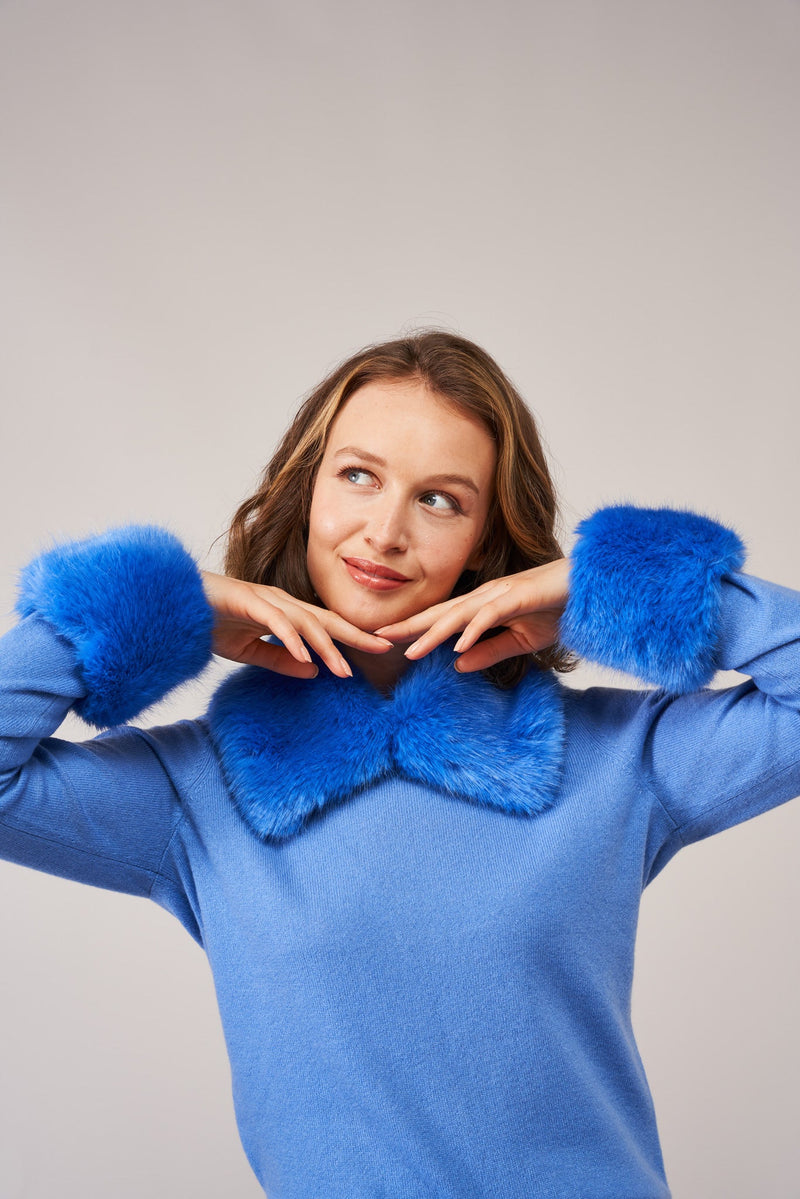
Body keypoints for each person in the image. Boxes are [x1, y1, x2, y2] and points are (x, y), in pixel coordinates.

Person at [1, 330, 798, 1198]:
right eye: (358, 476)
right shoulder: (193, 789)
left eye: (442, 500)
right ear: (304, 491)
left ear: (489, 541)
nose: (384, 532)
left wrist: (611, 587)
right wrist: (161, 602)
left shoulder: (617, 759)